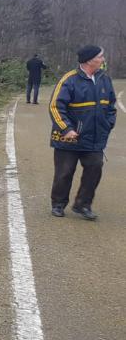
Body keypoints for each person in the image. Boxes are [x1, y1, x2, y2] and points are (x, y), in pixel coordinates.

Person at [48, 45, 116, 220]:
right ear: (89, 60)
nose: (103, 59)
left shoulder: (104, 79)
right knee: (64, 172)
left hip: (94, 139)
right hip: (69, 138)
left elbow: (111, 107)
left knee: (95, 168)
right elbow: (55, 106)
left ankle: (83, 204)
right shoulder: (68, 80)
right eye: (100, 56)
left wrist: (108, 124)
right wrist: (67, 129)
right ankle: (58, 204)